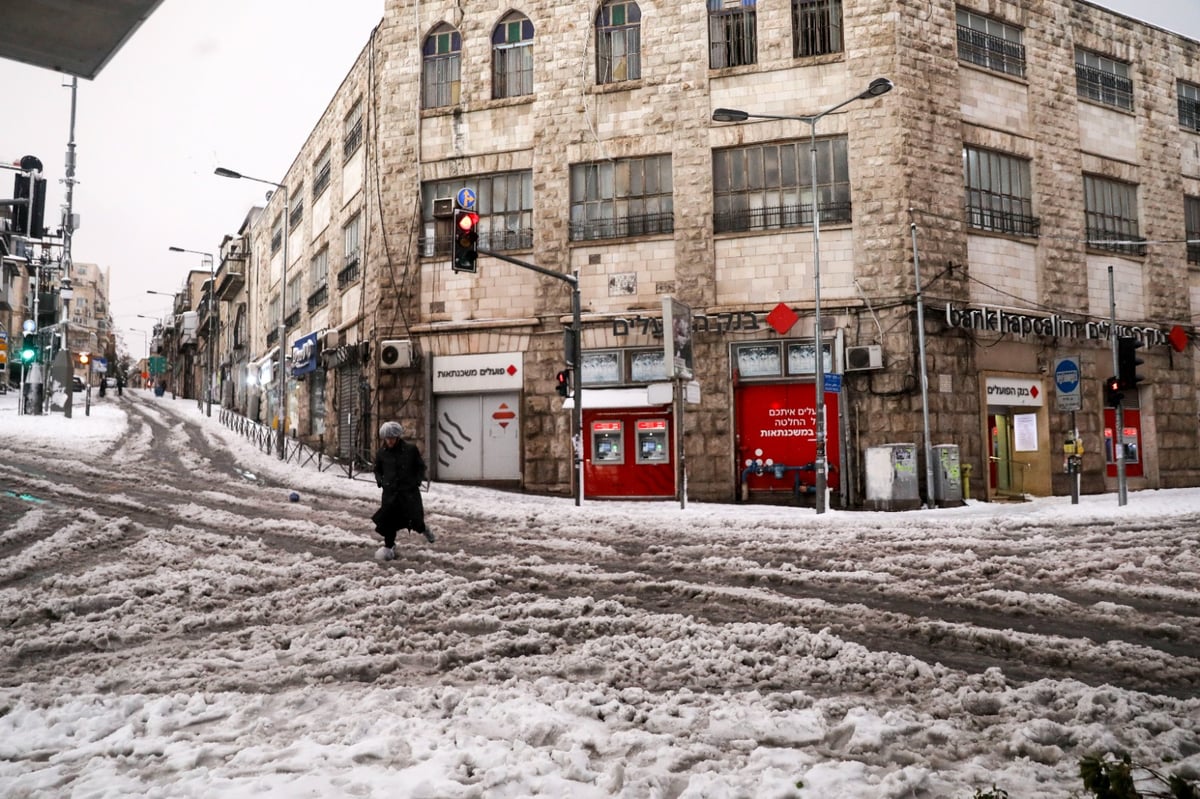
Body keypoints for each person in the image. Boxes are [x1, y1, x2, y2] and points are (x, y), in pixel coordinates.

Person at [371, 420, 435, 560]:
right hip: (390, 495)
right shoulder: (382, 453)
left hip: (408, 493)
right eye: (387, 438)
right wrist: (381, 481)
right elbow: (377, 469)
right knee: (389, 522)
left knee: (415, 520)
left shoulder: (410, 450)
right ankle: (389, 548)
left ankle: (424, 529)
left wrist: (417, 481)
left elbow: (420, 467)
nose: (390, 441)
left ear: (398, 437)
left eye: (392, 438)